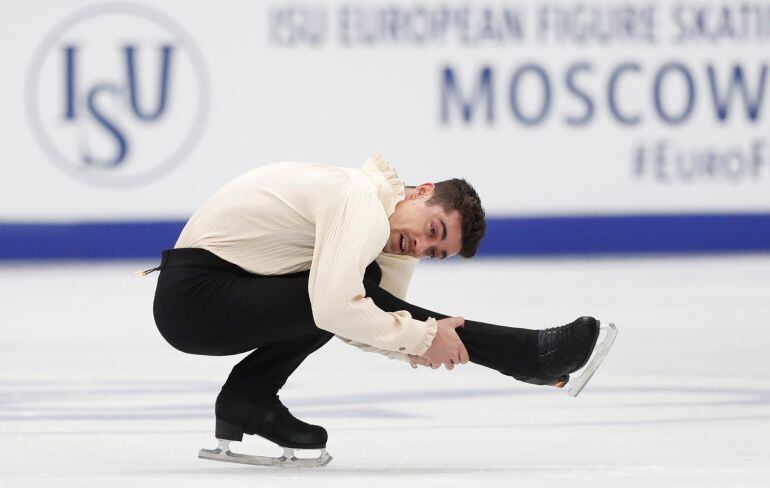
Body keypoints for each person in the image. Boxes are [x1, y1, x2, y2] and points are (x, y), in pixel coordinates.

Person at [148, 153, 615, 467]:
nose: (422, 247)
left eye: (434, 252)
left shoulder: (383, 239)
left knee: (354, 289)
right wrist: (424, 339)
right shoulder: (359, 201)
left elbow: (365, 322)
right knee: (351, 290)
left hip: (217, 295)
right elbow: (339, 307)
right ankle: (527, 356)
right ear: (420, 191)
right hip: (195, 298)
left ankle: (246, 401)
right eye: (433, 229)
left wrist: (420, 344)